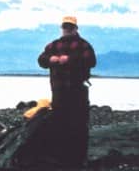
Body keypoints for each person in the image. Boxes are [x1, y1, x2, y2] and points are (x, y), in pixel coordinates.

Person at [37, 15, 97, 167]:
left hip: (78, 91)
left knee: (79, 124)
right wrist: (50, 60)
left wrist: (70, 60)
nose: (67, 29)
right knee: (60, 123)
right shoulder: (53, 45)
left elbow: (91, 61)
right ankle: (61, 157)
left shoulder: (84, 45)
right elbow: (41, 60)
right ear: (62, 28)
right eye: (65, 27)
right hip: (59, 91)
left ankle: (79, 158)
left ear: (76, 28)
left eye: (70, 27)